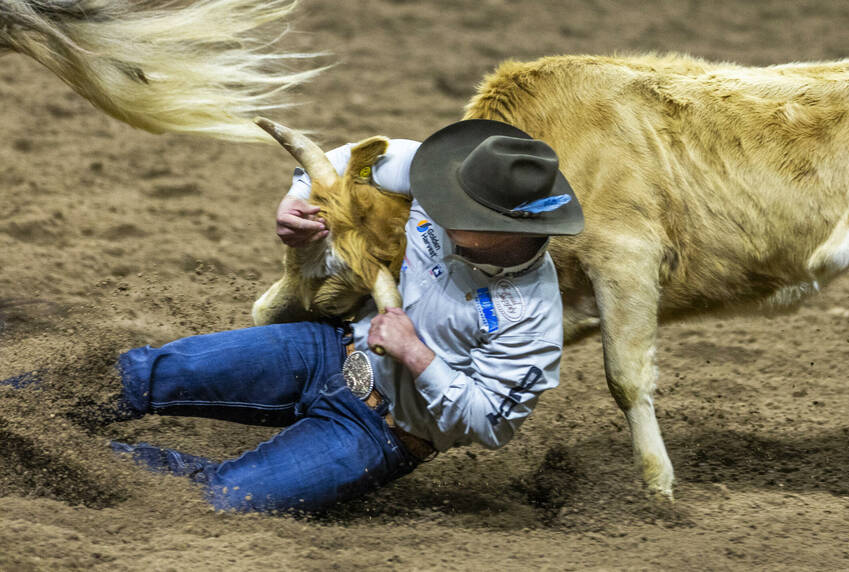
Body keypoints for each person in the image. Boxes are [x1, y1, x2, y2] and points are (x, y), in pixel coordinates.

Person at [103, 119, 584, 512]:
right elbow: (351, 165)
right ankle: (29, 412)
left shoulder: (532, 319)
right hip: (329, 349)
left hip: (384, 430)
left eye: (457, 206)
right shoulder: (442, 176)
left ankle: (70, 460)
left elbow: (489, 422)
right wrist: (297, 199)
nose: (437, 202)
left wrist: (415, 354)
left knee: (227, 496)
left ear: (502, 227)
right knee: (148, 371)